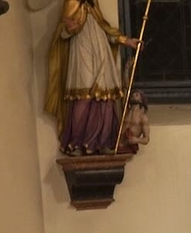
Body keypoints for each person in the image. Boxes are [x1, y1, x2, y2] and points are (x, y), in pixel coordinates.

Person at [45, 0, 142, 155]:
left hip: (102, 57)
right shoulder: (71, 2)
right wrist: (70, 27)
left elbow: (106, 31)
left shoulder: (93, 6)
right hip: (82, 53)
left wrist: (126, 41)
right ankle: (77, 143)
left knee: (105, 98)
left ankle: (103, 142)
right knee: (82, 97)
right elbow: (63, 32)